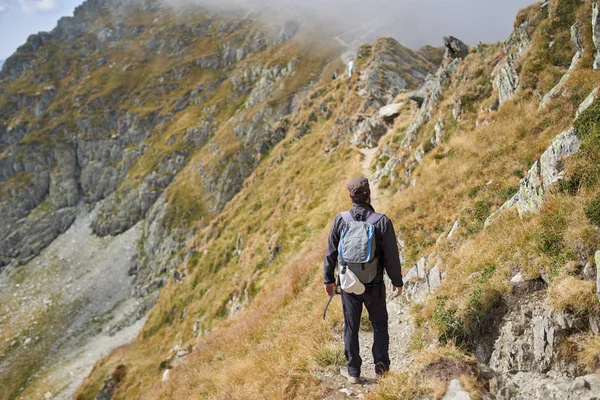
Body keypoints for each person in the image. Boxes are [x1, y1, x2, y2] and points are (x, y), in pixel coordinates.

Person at [323, 177, 403, 383]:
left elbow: (331, 252)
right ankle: (381, 369)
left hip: (349, 283)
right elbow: (391, 256)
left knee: (351, 326)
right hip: (374, 283)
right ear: (369, 194)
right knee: (379, 325)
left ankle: (353, 372)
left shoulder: (341, 220)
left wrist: (328, 280)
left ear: (350, 197)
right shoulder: (381, 221)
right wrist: (397, 280)